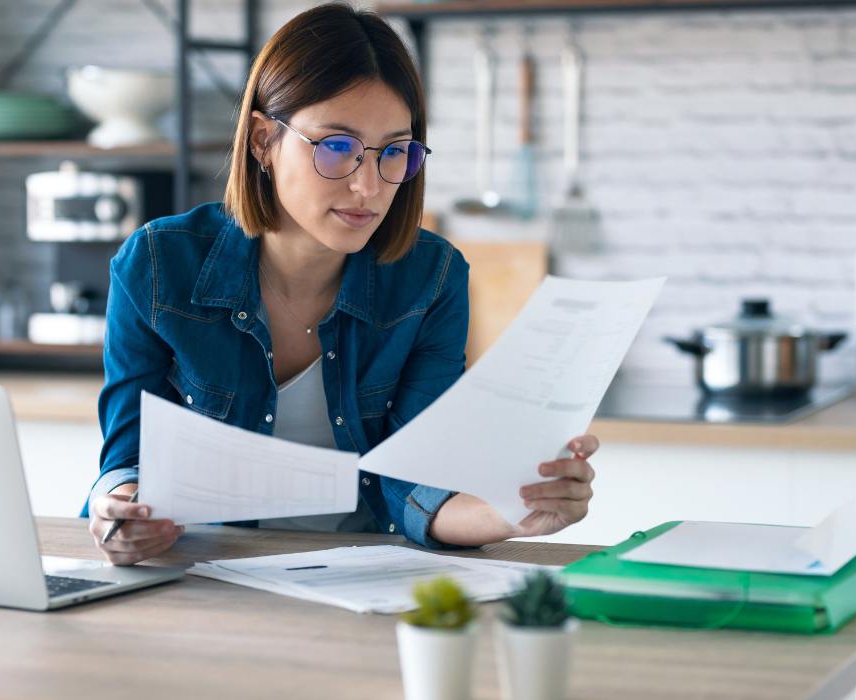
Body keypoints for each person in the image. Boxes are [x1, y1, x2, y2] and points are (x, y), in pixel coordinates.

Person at [82, 2, 597, 565]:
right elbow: (127, 462)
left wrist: (513, 511)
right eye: (336, 147)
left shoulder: (432, 277)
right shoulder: (158, 264)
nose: (369, 186)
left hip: (363, 573)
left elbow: (417, 486)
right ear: (261, 141)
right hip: (205, 571)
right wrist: (123, 512)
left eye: (394, 152)